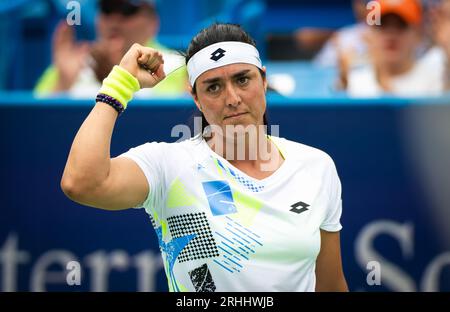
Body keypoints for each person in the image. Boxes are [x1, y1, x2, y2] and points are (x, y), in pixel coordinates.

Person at [60, 23, 348, 292]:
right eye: (213, 87)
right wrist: (120, 85)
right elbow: (81, 183)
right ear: (196, 98)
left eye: (243, 79)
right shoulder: (168, 166)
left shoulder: (316, 166)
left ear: (263, 80)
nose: (232, 97)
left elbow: (331, 284)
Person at [34, 0, 187, 98]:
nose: (115, 20)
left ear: (153, 22)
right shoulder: (69, 62)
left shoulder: (178, 66)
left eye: (127, 11)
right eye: (107, 9)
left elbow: (163, 124)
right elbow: (33, 123)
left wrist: (118, 78)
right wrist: (63, 83)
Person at [345, 0, 450, 97]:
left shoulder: (435, 68)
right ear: (370, 32)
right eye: (383, 25)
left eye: (401, 25)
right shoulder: (356, 76)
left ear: (417, 33)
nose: (391, 34)